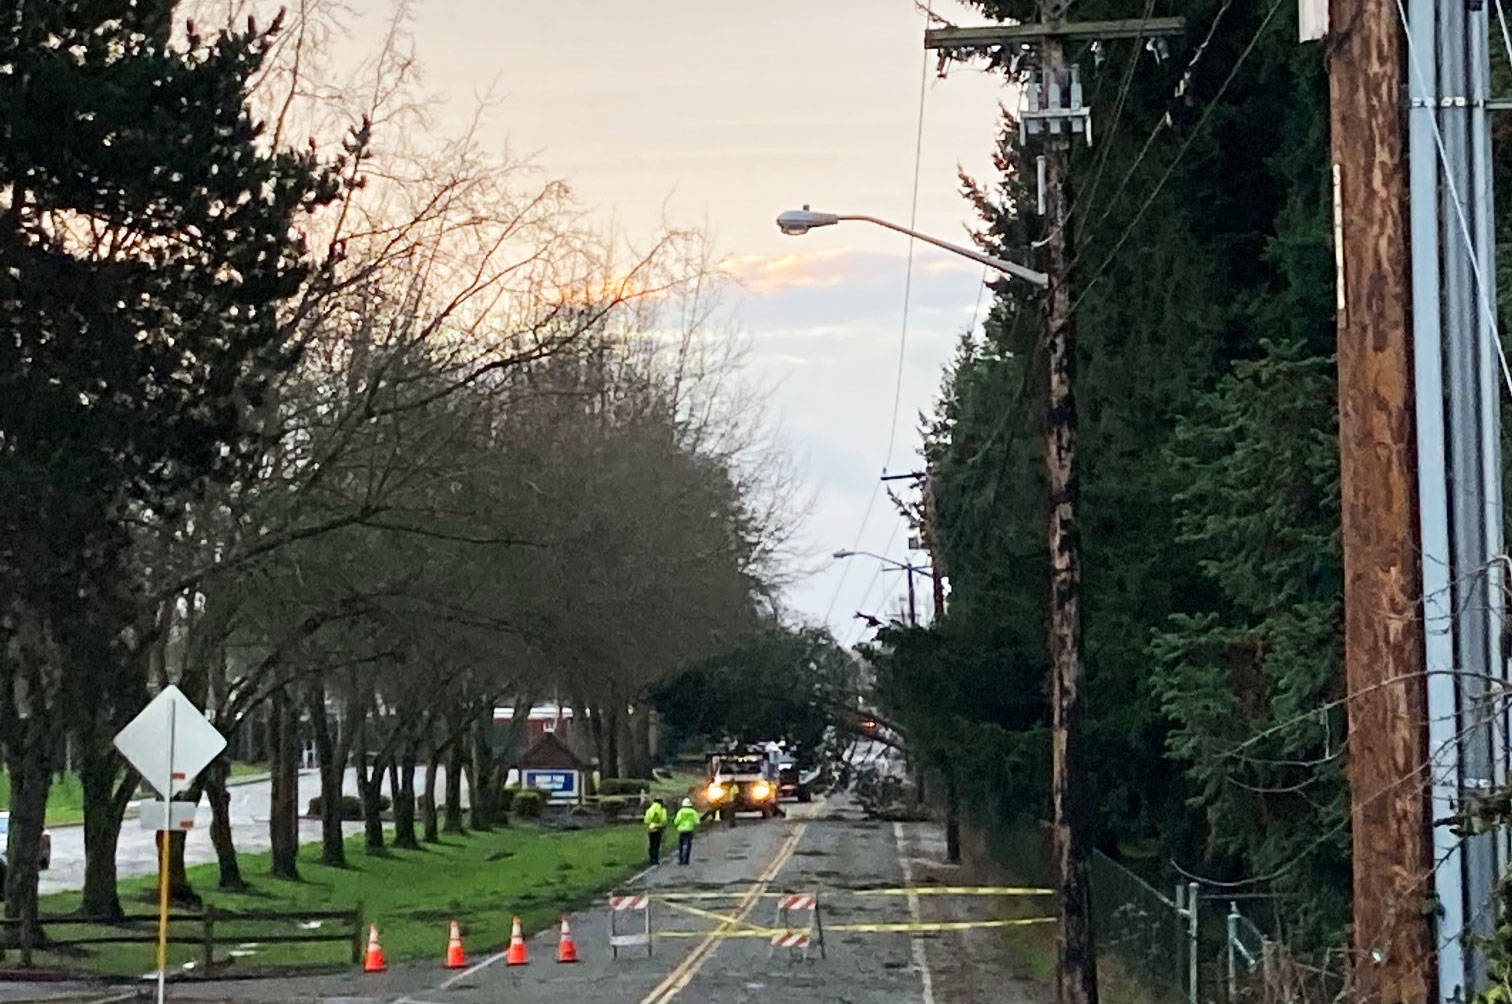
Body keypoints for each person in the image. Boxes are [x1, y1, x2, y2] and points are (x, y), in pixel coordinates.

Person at [673, 797, 701, 865]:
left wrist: (677, 825)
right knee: (688, 845)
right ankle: (686, 860)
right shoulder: (693, 812)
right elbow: (697, 821)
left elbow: (676, 821)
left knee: (681, 845)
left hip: (682, 830)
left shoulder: (680, 812)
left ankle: (681, 859)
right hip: (689, 830)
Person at [643, 797, 668, 865]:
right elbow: (664, 820)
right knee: (657, 844)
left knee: (651, 844)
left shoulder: (649, 809)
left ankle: (651, 858)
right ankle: (656, 859)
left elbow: (646, 820)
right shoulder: (663, 810)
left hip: (651, 828)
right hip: (659, 829)